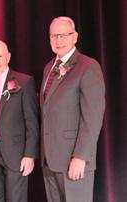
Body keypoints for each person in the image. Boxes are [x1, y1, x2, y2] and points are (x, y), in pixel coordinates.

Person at [40, 16, 105, 202]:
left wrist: (80, 157)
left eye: (63, 35)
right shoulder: (48, 68)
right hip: (50, 160)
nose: (58, 40)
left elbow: (92, 118)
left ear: (75, 37)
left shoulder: (88, 67)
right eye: (54, 36)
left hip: (73, 160)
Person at [0, 40, 39, 202]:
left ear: (8, 57)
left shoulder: (24, 82)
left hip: (16, 154)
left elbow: (32, 121)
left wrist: (29, 155)